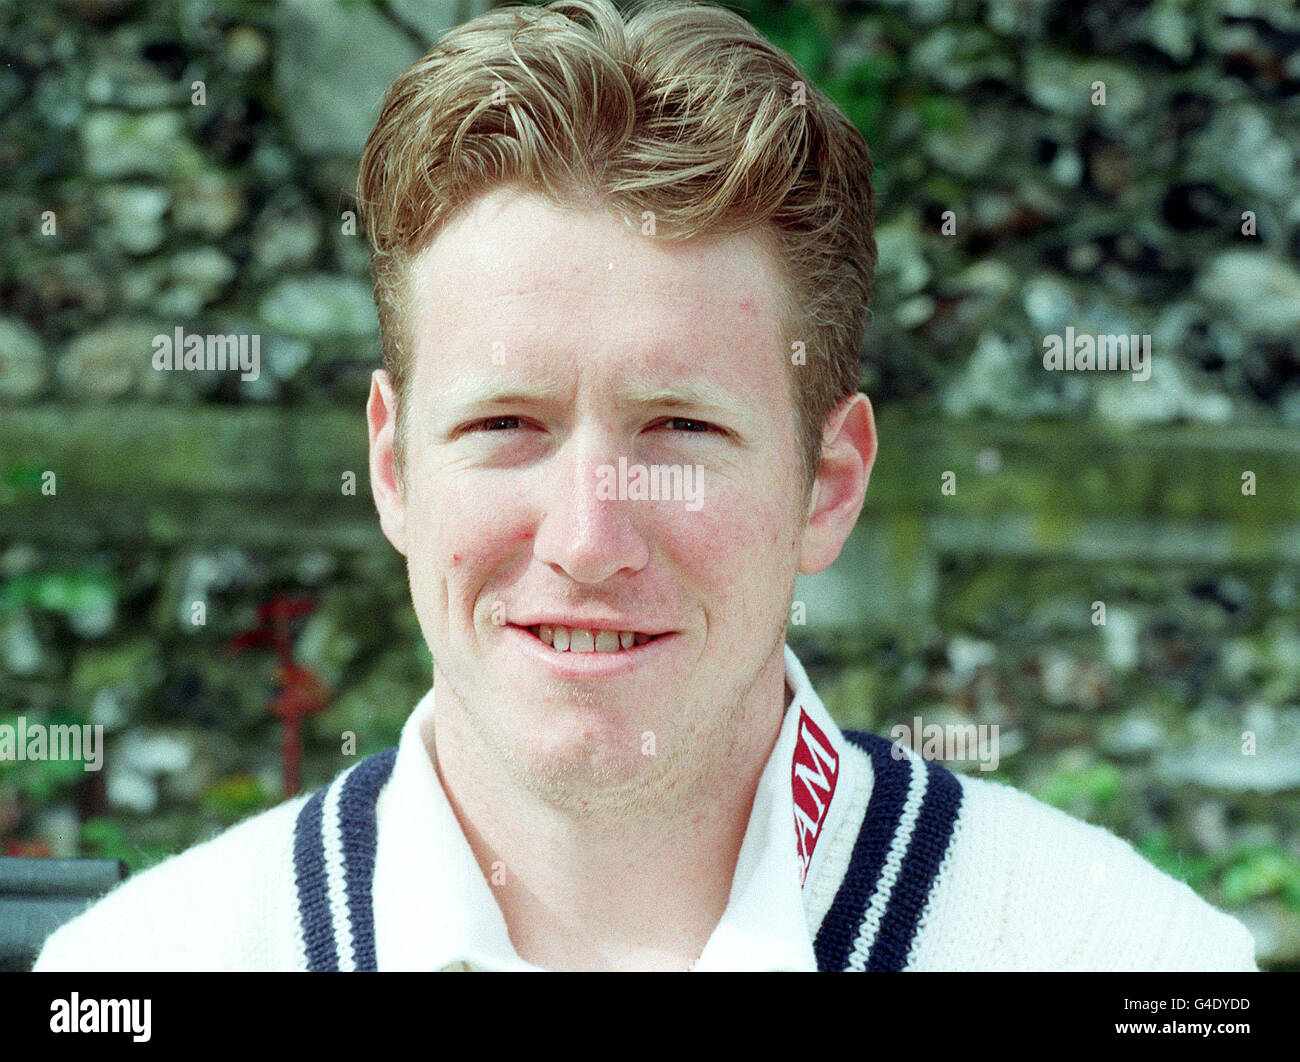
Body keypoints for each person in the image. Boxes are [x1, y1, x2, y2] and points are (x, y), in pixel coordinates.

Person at [36, 0, 1255, 972]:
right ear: (395, 464)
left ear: (826, 486)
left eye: (677, 426)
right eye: (507, 422)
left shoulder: (1122, 959)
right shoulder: (149, 968)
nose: (587, 536)